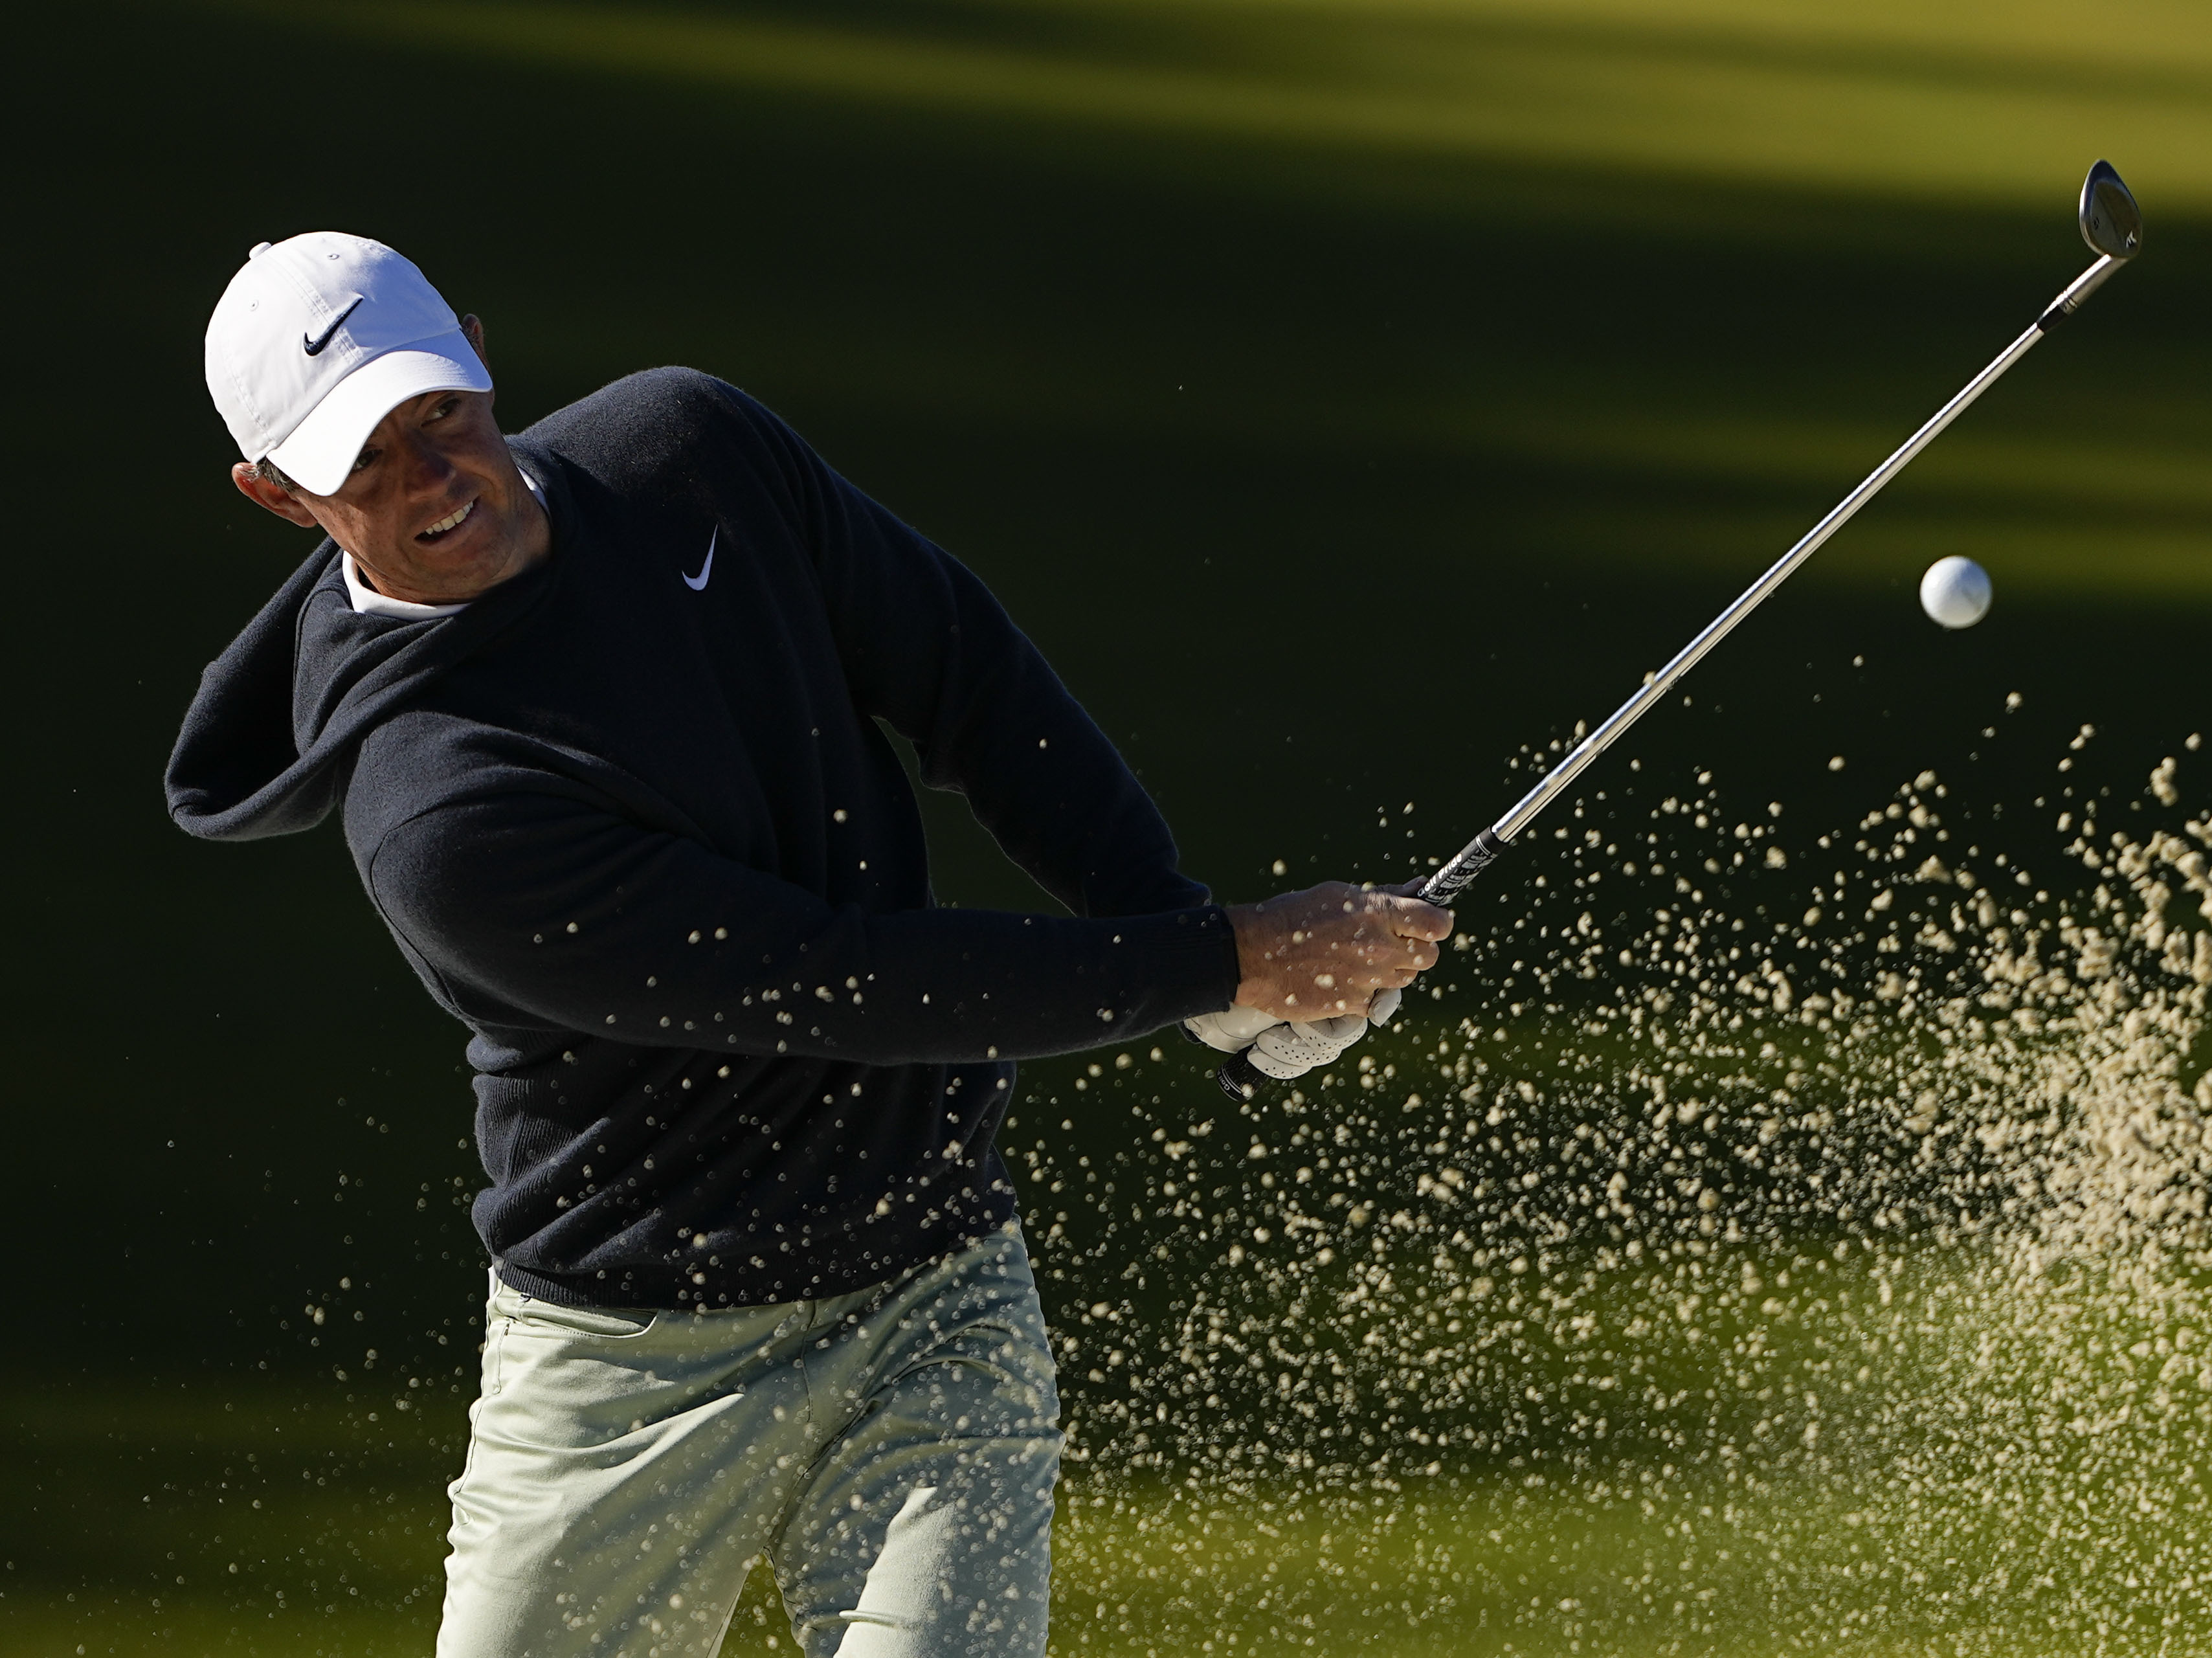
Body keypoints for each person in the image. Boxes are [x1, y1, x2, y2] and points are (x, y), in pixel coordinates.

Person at [167, 232, 1451, 1657]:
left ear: (476, 350)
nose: (434, 478)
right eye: (366, 461)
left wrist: (1158, 910)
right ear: (279, 495)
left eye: (441, 415)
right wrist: (1222, 963)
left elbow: (962, 671)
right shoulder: (440, 812)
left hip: (931, 1283)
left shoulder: (688, 452)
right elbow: (839, 982)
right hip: (628, 1368)